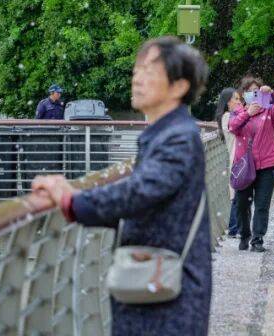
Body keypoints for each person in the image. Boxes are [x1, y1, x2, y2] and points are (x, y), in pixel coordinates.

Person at [30, 37, 212, 336]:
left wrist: (73, 200)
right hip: (159, 287)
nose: (137, 78)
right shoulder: (168, 133)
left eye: (149, 71)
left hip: (168, 297)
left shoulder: (177, 136)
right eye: (136, 70)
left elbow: (139, 192)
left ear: (179, 86)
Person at [228, 80, 274, 252]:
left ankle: (258, 239)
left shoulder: (270, 110)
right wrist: (248, 113)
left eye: (257, 90)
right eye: (250, 91)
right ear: (244, 95)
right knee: (241, 204)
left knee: (262, 204)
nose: (254, 94)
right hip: (244, 166)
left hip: (267, 165)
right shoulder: (237, 113)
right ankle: (244, 234)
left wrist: (272, 93)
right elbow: (232, 127)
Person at [215, 87, 243, 236]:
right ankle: (234, 228)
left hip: (239, 159)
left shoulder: (233, 116)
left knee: (239, 194)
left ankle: (236, 227)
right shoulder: (227, 117)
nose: (239, 102)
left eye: (239, 99)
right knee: (237, 195)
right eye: (236, 99)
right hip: (236, 159)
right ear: (227, 102)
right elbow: (237, 127)